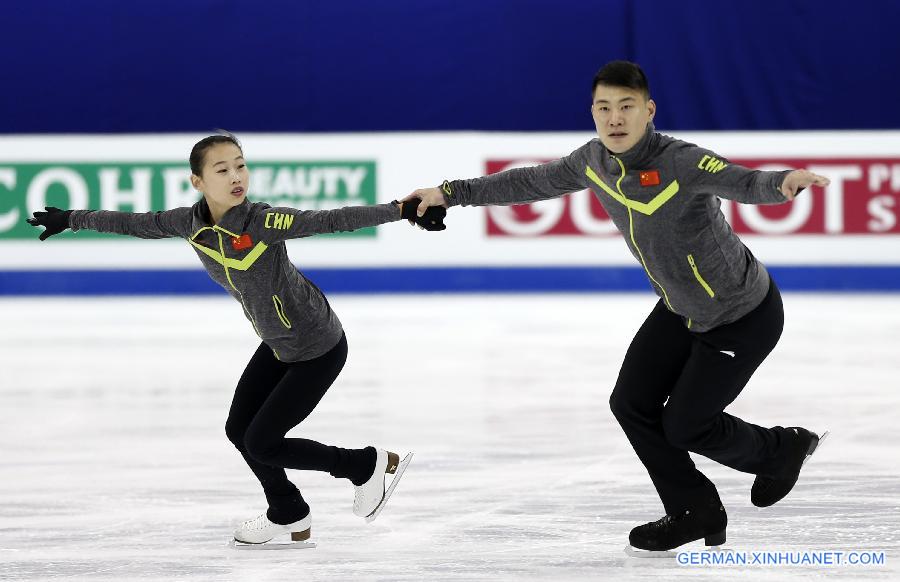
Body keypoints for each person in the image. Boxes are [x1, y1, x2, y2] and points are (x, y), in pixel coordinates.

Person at [403, 61, 830, 553]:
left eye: (626, 107)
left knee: (687, 425)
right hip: (679, 308)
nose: (615, 119)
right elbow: (527, 183)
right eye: (604, 108)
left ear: (649, 110)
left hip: (741, 315)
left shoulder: (682, 160)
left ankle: (782, 449)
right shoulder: (591, 161)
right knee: (630, 404)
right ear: (592, 113)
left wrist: (782, 182)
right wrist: (449, 194)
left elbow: (741, 180)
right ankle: (695, 508)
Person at [27, 133, 446, 546]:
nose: (236, 176)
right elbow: (133, 224)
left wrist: (400, 210)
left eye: (241, 165)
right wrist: (72, 219)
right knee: (238, 429)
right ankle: (288, 513)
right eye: (222, 169)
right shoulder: (188, 224)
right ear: (198, 181)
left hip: (317, 346)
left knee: (262, 442)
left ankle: (363, 465)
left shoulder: (263, 221)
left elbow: (331, 219)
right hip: (278, 343)